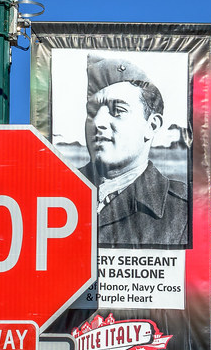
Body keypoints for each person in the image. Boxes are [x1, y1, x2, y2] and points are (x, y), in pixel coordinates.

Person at [79, 56, 188, 247]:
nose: (98, 123)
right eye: (92, 112)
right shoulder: (56, 192)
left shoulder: (184, 209)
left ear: (152, 125)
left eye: (118, 111)